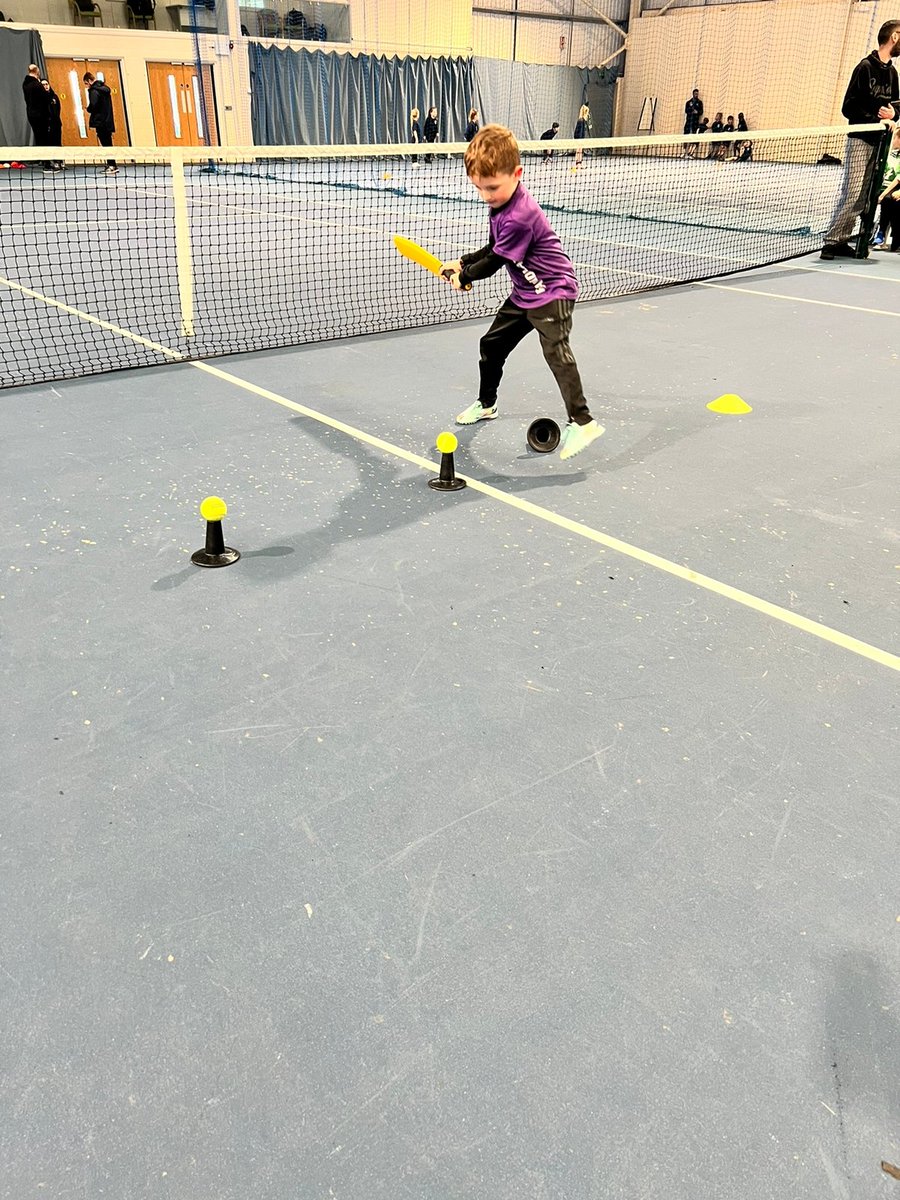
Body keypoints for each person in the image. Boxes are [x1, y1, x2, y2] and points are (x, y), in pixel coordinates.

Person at [440, 125, 604, 461]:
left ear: (517, 173)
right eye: (479, 188)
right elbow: (494, 246)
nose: (486, 195)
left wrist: (464, 277)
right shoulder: (502, 205)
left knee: (555, 352)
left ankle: (583, 421)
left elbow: (498, 259)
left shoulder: (519, 215)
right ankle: (487, 404)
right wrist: (463, 261)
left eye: (493, 187)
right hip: (526, 292)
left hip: (553, 291)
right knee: (492, 345)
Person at [821, 20, 900, 260]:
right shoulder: (864, 67)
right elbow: (848, 107)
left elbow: (897, 108)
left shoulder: (893, 73)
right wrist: (875, 118)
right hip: (860, 140)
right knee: (852, 192)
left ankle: (844, 239)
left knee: (866, 195)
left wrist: (893, 115)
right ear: (894, 37)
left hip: (880, 144)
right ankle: (831, 241)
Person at [872, 123, 900, 248]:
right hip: (884, 188)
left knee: (891, 200)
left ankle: (892, 236)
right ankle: (879, 233)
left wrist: (883, 195)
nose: (894, 139)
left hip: (894, 191)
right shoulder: (888, 154)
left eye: (896, 137)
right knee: (887, 201)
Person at [83, 71, 117, 174]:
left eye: (86, 83)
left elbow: (94, 105)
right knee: (108, 144)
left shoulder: (93, 91)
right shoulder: (104, 89)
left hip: (101, 122)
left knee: (106, 144)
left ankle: (112, 165)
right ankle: (112, 164)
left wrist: (88, 109)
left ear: (89, 81)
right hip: (107, 121)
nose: (86, 86)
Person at [22, 64, 53, 172]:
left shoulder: (25, 84)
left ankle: (44, 161)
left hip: (31, 115)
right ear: (37, 71)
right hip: (41, 116)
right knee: (45, 139)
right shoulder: (37, 85)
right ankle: (47, 164)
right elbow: (46, 99)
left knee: (39, 138)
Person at [42, 78, 63, 172]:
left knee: (58, 142)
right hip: (47, 125)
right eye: (43, 85)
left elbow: (58, 110)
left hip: (56, 124)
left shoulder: (54, 97)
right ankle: (52, 163)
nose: (45, 86)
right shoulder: (41, 98)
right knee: (50, 143)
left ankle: (60, 162)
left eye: (46, 84)